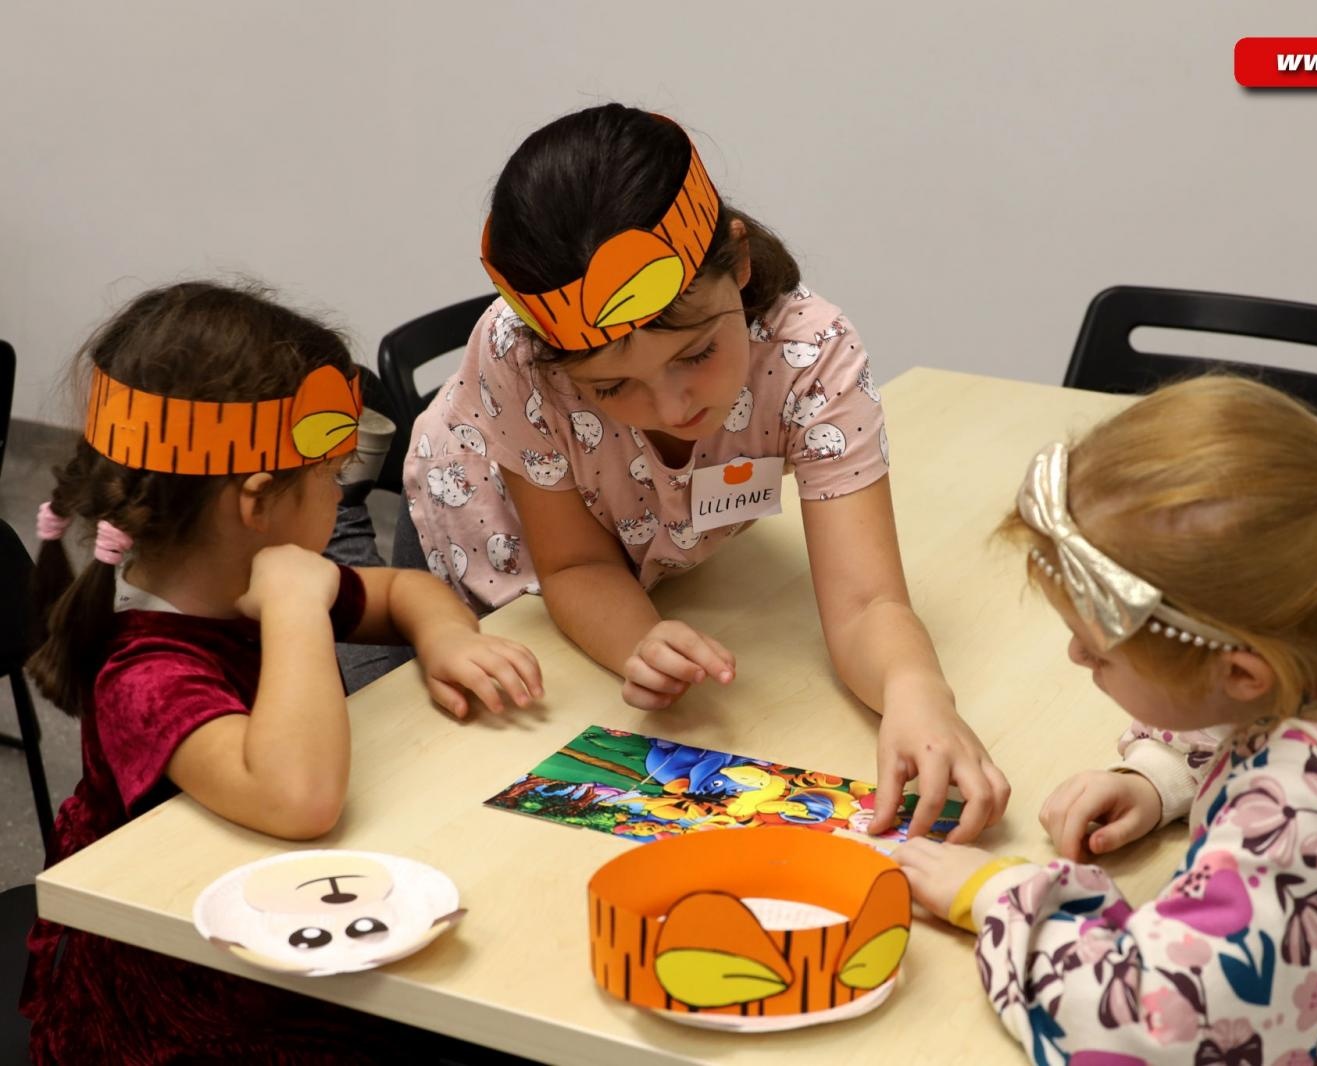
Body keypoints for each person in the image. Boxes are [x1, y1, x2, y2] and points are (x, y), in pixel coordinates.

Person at [896, 376, 1317, 1063]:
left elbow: (1139, 1028)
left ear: (1239, 672)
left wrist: (997, 895)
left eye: (1099, 649)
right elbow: (1249, 726)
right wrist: (1161, 777)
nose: (1077, 654)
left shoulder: (1300, 826)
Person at [402, 103, 1007, 840]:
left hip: (651, 548)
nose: (671, 405)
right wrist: (637, 640)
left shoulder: (810, 355)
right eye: (611, 388)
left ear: (740, 263)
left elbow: (866, 602)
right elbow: (572, 566)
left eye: (694, 356)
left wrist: (919, 695)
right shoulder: (518, 354)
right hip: (496, 566)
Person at [22, 281, 543, 1063]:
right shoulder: (144, 674)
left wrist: (443, 638)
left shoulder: (251, 578)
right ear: (258, 501)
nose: (340, 498)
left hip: (287, 924)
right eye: (332, 479)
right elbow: (299, 797)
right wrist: (301, 607)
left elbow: (406, 590)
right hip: (185, 1003)